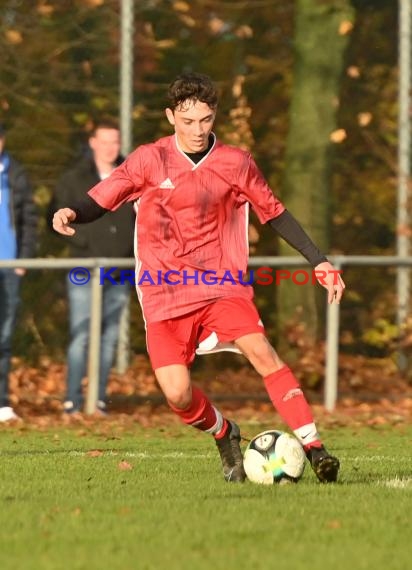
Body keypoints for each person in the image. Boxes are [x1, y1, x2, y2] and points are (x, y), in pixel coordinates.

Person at [52, 73, 345, 482]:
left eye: (206, 120)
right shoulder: (149, 159)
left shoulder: (235, 162)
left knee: (261, 351)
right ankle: (225, 434)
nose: (197, 130)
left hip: (220, 284)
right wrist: (73, 213)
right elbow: (104, 196)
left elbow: (274, 212)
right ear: (170, 116)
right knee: (177, 394)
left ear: (214, 117)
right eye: (188, 121)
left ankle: (315, 449)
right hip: (163, 292)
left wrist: (318, 260)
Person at [51, 119, 135, 415]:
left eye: (115, 141)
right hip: (84, 269)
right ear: (92, 142)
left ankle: (98, 399)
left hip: (121, 269)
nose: (111, 147)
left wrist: (126, 251)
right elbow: (58, 218)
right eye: (105, 140)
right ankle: (72, 400)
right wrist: (89, 247)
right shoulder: (74, 178)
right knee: (82, 334)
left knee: (109, 335)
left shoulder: (133, 176)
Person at [0, 123, 37, 422]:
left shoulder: (16, 174)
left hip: (10, 268)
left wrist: (24, 259)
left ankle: (1, 402)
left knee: (4, 336)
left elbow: (29, 218)